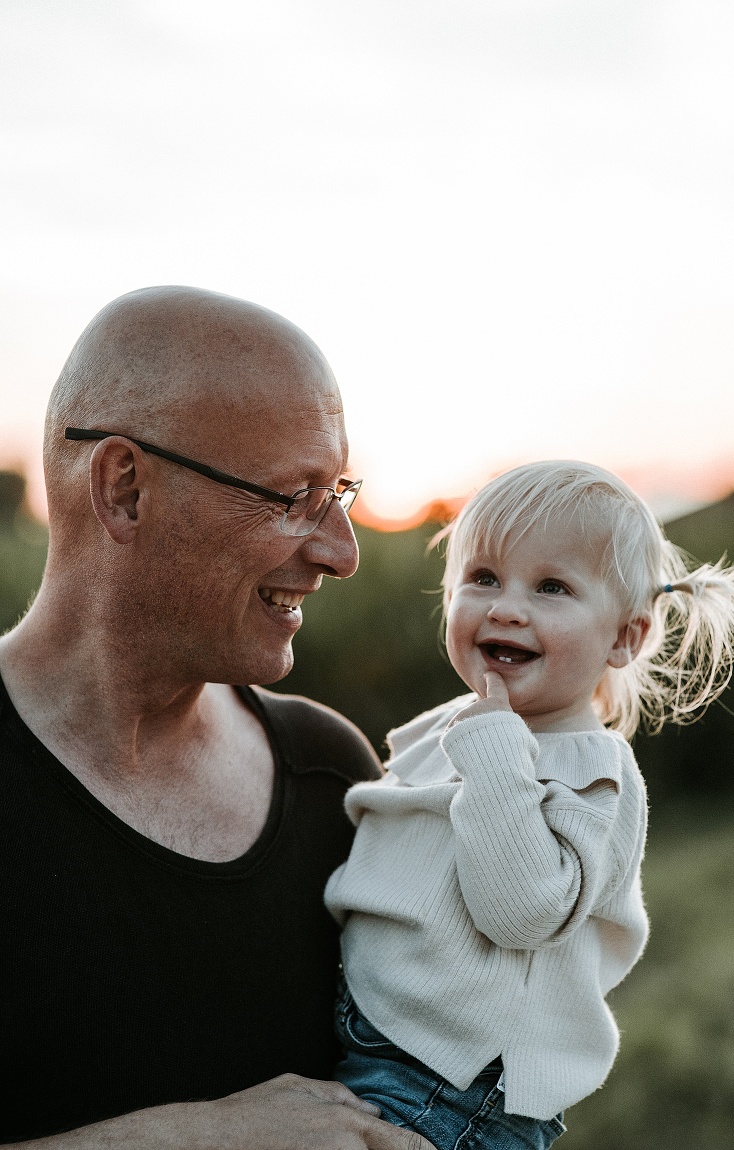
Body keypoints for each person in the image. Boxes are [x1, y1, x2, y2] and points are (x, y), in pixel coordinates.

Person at [0, 286, 434, 1150]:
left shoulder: (335, 779)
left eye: (339, 491)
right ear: (125, 489)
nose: (342, 552)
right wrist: (194, 1139)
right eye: (296, 496)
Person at [325, 460, 734, 1150]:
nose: (505, 607)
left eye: (552, 587)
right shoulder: (462, 724)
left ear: (624, 637)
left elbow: (521, 911)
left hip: (455, 1085)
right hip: (380, 1031)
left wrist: (496, 754)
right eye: (483, 578)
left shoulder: (591, 771)